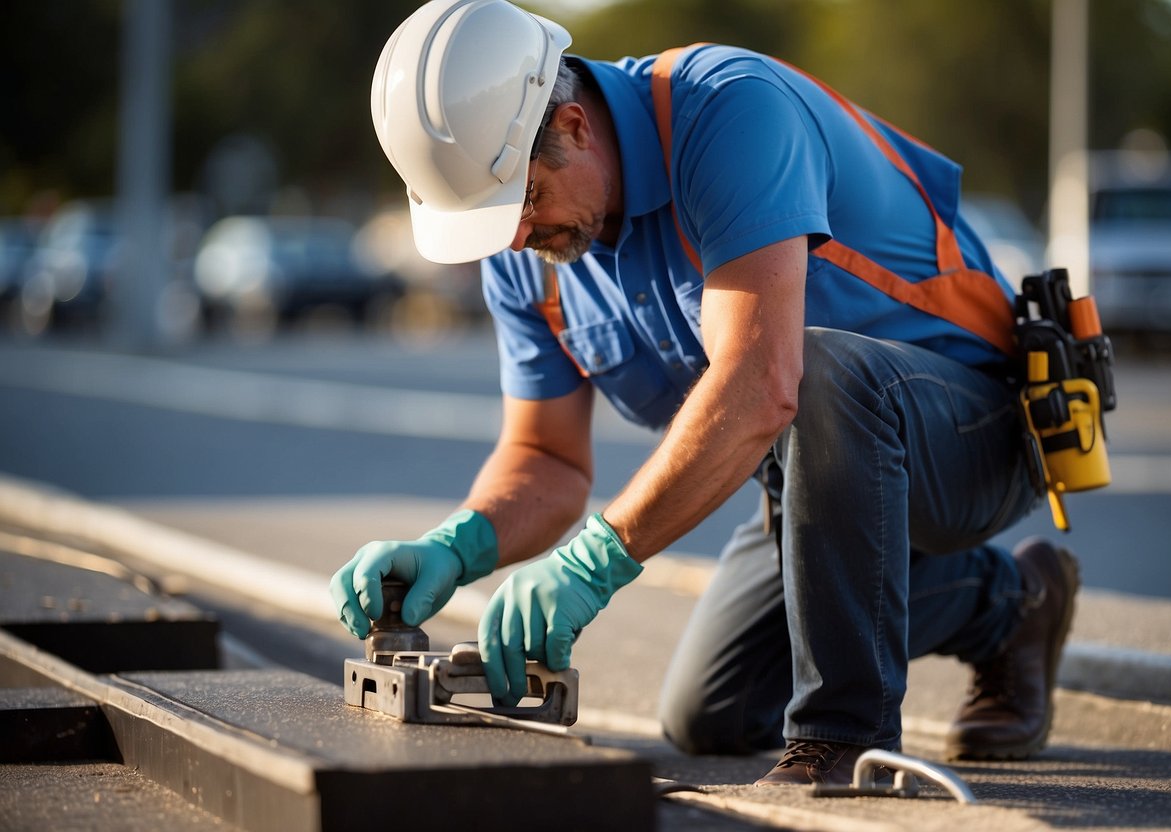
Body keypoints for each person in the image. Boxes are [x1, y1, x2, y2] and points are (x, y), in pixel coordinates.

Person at [330, 0, 1080, 787]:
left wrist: (593, 561)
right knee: (709, 713)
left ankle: (842, 738)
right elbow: (545, 457)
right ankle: (1013, 607)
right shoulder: (525, 249)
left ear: (576, 127)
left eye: (521, 203)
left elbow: (762, 386)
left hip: (975, 432)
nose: (514, 238)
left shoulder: (727, 112)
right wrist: (457, 546)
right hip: (817, 478)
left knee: (811, 367)